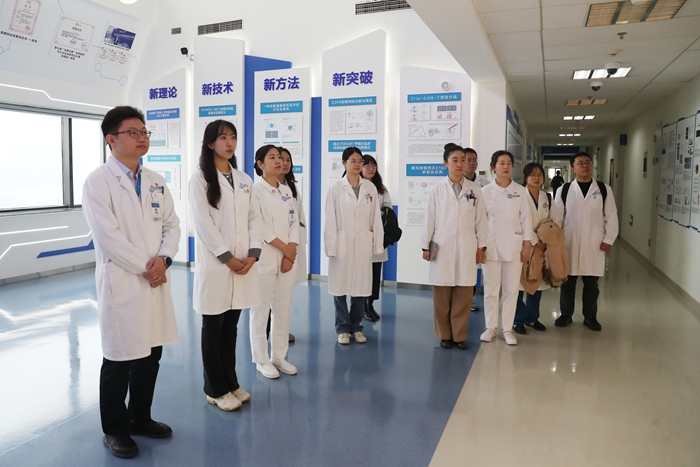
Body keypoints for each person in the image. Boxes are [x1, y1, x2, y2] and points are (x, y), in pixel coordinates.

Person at [82, 106, 181, 459]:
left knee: (150, 354)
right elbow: (108, 238)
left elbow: (172, 224)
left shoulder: (155, 180)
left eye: (144, 132)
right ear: (111, 139)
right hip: (123, 280)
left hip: (155, 279)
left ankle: (140, 418)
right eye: (133, 132)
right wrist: (148, 267)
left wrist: (164, 259)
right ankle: (114, 429)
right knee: (119, 359)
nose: (142, 138)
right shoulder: (98, 182)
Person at [189, 120, 260, 412]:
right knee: (213, 328)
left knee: (230, 329)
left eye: (233, 137)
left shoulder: (243, 179)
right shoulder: (200, 178)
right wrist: (227, 257)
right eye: (222, 138)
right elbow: (203, 224)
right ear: (210, 143)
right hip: (218, 265)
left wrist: (252, 254)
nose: (229, 143)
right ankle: (215, 389)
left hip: (243, 263)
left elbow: (254, 218)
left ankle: (231, 382)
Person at [422, 143, 489, 350]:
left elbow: (481, 221)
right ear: (445, 163)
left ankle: (459, 336)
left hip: (467, 246)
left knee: (464, 294)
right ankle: (444, 335)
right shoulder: (437, 190)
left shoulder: (475, 190)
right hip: (441, 245)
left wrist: (482, 247)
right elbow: (429, 220)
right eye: (455, 160)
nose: (460, 164)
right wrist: (425, 247)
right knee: (442, 296)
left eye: (463, 160)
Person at [551, 152, 618, 331]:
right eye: (580, 163)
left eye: (588, 162)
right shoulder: (564, 190)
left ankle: (590, 317)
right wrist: (556, 242)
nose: (585, 166)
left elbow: (611, 216)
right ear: (573, 169)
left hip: (594, 242)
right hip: (569, 242)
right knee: (567, 282)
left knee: (592, 284)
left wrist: (609, 239)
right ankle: (566, 315)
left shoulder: (603, 189)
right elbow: (557, 218)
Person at [249, 145, 299, 378]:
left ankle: (278, 356)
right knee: (260, 311)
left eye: (280, 157)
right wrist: (285, 249)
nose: (279, 161)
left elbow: (294, 222)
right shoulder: (255, 191)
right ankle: (261, 359)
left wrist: (291, 251)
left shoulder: (286, 190)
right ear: (260, 164)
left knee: (283, 307)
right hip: (266, 258)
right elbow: (260, 226)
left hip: (287, 258)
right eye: (272, 158)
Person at [325, 147, 384, 345]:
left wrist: (377, 245)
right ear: (344, 163)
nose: (358, 164)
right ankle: (342, 328)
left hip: (363, 244)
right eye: (353, 161)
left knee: (361, 288)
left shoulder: (370, 188)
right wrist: (331, 246)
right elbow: (330, 219)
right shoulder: (335, 188)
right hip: (342, 244)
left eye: (360, 161)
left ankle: (356, 327)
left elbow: (375, 218)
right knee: (340, 288)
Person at [480, 150, 532, 346]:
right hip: (490, 246)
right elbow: (480, 221)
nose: (506, 166)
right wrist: (480, 246)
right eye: (501, 163)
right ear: (493, 167)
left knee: (511, 290)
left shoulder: (520, 191)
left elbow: (526, 220)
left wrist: (527, 245)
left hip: (514, 246)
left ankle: (508, 329)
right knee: (491, 289)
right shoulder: (485, 192)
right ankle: (490, 327)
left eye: (509, 163)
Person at [513, 162, 550, 335]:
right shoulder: (518, 195)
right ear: (525, 177)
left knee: (537, 283)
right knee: (519, 284)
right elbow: (517, 221)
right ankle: (519, 319)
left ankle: (533, 318)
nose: (536, 178)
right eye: (532, 175)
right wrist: (535, 240)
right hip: (523, 245)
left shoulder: (547, 197)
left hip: (542, 247)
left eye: (540, 175)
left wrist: (545, 240)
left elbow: (552, 221)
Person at [276, 147, 307, 342]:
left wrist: (297, 243)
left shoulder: (291, 188)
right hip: (274, 246)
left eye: (288, 160)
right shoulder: (262, 189)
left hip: (291, 245)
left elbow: (299, 219)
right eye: (281, 159)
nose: (285, 163)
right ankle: (269, 331)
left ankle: (281, 331)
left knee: (285, 294)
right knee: (270, 295)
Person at [361, 154, 392, 322]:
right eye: (367, 165)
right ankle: (361, 305)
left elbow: (387, 209)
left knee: (375, 273)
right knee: (362, 273)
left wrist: (379, 216)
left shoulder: (381, 189)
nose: (371, 169)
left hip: (377, 235)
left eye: (374, 166)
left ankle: (370, 304)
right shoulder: (355, 186)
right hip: (360, 237)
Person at [463, 147, 490, 313]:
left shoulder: (485, 185)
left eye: (474, 160)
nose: (472, 163)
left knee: (473, 270)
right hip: (462, 233)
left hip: (479, 232)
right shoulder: (454, 184)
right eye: (468, 160)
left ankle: (469, 299)